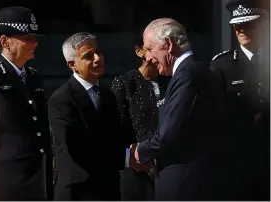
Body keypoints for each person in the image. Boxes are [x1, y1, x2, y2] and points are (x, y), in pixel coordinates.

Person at [134, 18, 226, 200]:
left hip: (185, 186)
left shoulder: (188, 75)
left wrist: (140, 151)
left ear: (168, 44)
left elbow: (168, 135)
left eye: (150, 49)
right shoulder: (192, 72)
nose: (148, 58)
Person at [48, 32, 125, 200]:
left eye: (99, 52)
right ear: (72, 64)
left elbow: (116, 135)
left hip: (108, 188)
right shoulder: (61, 99)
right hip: (78, 191)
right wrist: (125, 156)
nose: (98, 58)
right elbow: (76, 146)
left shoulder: (107, 95)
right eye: (88, 56)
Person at [0, 7, 53, 200]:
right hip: (5, 183)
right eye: (27, 37)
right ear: (4, 41)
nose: (35, 42)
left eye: (35, 37)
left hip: (38, 180)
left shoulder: (34, 77)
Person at [210, 0, 270, 200]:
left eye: (248, 24)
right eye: (237, 26)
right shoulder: (222, 65)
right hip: (238, 159)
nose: (241, 30)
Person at [111, 31, 169, 200]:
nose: (157, 53)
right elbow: (116, 127)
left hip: (168, 166)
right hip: (137, 168)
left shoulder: (170, 80)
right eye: (151, 48)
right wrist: (132, 156)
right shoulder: (125, 83)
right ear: (139, 51)